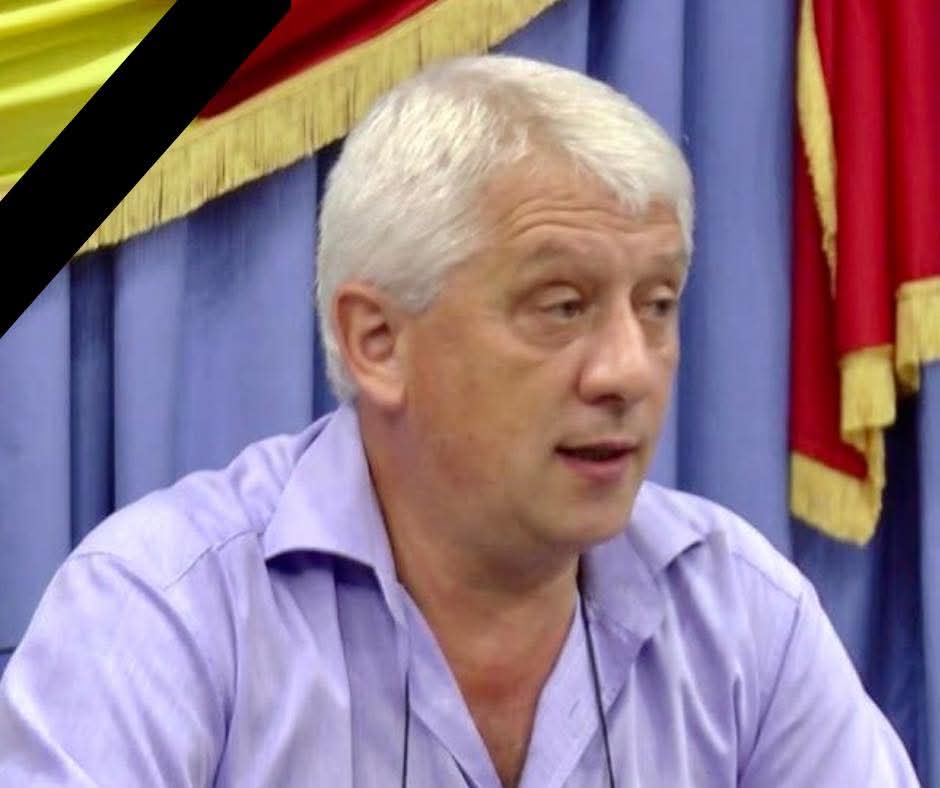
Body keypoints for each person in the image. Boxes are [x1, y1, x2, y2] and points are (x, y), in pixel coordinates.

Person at [0, 54, 920, 788]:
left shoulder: (740, 614)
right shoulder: (165, 609)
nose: (629, 372)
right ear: (377, 341)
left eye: (658, 304)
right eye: (562, 306)